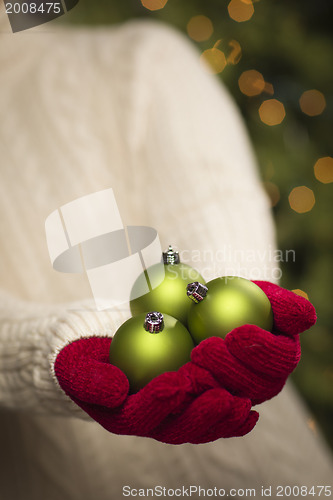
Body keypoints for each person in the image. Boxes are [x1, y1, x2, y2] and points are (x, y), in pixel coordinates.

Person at [0, 9, 332, 500]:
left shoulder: (138, 60)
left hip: (264, 482)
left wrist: (237, 304)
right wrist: (61, 349)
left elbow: (214, 207)